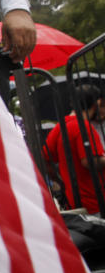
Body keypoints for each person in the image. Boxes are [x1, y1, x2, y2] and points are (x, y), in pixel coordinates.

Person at [44, 84, 105, 214]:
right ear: (96, 104)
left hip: (74, 202)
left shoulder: (60, 127)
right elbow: (89, 161)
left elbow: (44, 160)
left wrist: (60, 181)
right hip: (95, 202)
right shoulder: (84, 126)